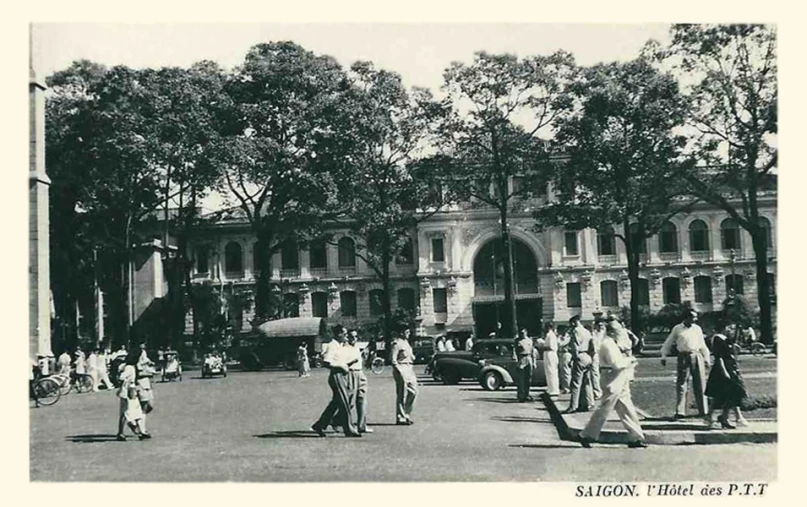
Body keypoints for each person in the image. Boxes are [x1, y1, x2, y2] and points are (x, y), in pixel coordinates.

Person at [578, 324, 647, 449]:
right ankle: (586, 435)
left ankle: (636, 437)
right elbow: (616, 364)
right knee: (605, 408)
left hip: (619, 377)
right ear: (612, 332)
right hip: (612, 377)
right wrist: (630, 360)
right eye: (618, 331)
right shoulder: (608, 344)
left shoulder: (612, 343)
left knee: (627, 408)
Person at [660, 309, 711, 419]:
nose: (695, 319)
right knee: (682, 383)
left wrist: (707, 358)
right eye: (693, 317)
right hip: (683, 356)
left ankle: (703, 410)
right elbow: (668, 342)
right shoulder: (677, 328)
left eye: (696, 317)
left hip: (696, 355)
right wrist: (664, 355)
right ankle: (680, 411)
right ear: (686, 317)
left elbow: (702, 344)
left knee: (700, 383)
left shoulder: (697, 329)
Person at [311, 325, 361, 437]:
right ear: (338, 334)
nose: (346, 336)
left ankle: (320, 425)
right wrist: (341, 367)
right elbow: (327, 362)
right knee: (344, 403)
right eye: (344, 333)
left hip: (342, 376)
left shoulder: (340, 346)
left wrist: (349, 363)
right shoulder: (332, 346)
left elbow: (340, 361)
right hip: (336, 376)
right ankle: (349, 429)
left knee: (336, 403)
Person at [705, 325, 749, 429]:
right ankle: (710, 416)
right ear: (723, 327)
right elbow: (719, 357)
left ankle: (725, 417)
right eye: (729, 327)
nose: (731, 330)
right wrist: (724, 371)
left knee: (733, 394)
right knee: (721, 395)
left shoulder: (727, 339)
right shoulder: (718, 339)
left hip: (732, 368)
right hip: (723, 369)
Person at [116, 352, 148, 441]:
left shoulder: (128, 367)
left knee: (131, 411)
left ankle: (137, 431)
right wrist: (128, 382)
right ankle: (130, 431)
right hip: (129, 391)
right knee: (127, 411)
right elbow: (121, 377)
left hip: (129, 390)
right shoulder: (129, 368)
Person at [566, 315, 595, 413]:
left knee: (575, 383)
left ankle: (573, 406)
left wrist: (572, 359)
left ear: (574, 322)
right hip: (588, 356)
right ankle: (588, 403)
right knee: (587, 382)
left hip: (580, 356)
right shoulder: (587, 331)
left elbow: (575, 347)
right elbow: (592, 345)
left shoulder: (575, 331)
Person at [391, 328, 418, 425]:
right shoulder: (396, 343)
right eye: (406, 332)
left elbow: (409, 355)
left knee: (414, 392)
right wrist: (399, 370)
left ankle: (406, 414)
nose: (408, 334)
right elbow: (393, 359)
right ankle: (400, 417)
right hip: (401, 368)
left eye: (409, 332)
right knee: (401, 394)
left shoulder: (407, 342)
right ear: (401, 332)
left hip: (409, 367)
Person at [347, 329, 372, 433]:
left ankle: (361, 425)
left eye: (355, 336)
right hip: (350, 373)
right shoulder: (344, 348)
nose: (354, 339)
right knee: (349, 401)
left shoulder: (357, 347)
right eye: (351, 337)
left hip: (360, 373)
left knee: (362, 399)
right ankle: (336, 420)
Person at [136, 346, 156, 436]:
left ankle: (137, 420)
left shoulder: (145, 360)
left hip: (148, 384)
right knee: (143, 407)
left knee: (150, 406)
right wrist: (150, 373)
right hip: (141, 384)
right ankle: (142, 429)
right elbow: (138, 373)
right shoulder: (136, 361)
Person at [513, 329, 535, 402]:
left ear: (526, 332)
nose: (522, 334)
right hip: (521, 358)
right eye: (521, 333)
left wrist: (534, 362)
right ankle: (521, 396)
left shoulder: (530, 340)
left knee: (528, 378)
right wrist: (516, 360)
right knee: (521, 379)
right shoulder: (517, 341)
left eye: (523, 333)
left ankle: (527, 394)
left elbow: (532, 351)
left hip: (528, 358)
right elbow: (514, 351)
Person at [541, 322, 560, 397]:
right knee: (548, 372)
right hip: (547, 354)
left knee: (552, 372)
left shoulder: (551, 335)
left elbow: (551, 347)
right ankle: (550, 388)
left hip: (550, 354)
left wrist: (542, 347)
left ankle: (554, 390)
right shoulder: (548, 335)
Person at [590, 319, 606, 400]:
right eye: (598, 325)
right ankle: (597, 392)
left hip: (604, 354)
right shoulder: (593, 334)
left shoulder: (605, 334)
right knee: (595, 373)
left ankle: (605, 390)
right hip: (595, 354)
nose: (600, 327)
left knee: (604, 373)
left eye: (601, 325)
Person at [557, 329, 572, 394]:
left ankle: (567, 387)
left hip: (566, 353)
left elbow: (560, 344)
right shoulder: (560, 337)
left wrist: (559, 338)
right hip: (560, 353)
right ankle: (563, 387)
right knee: (561, 371)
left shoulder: (568, 337)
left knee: (566, 371)